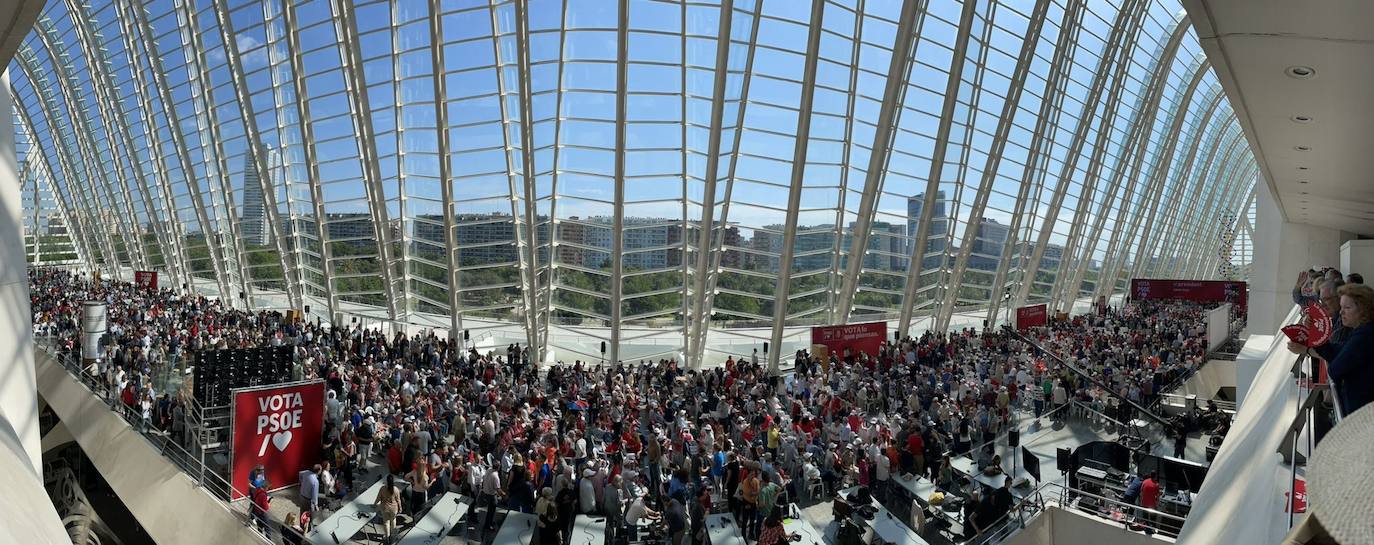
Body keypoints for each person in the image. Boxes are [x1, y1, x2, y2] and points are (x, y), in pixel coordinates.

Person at [1296, 283, 1374, 414]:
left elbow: (1335, 369)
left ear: (1364, 310)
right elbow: (1335, 351)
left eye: (1347, 308)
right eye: (1341, 307)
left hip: (1360, 414)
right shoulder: (1361, 332)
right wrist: (1315, 330)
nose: (1341, 311)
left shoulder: (1365, 335)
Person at [375, 474, 402, 542]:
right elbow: (398, 500)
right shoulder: (396, 489)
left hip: (385, 508)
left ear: (386, 481)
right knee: (393, 520)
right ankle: (393, 537)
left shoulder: (382, 488)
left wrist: (374, 504)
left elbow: (378, 498)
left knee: (386, 523)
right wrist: (400, 508)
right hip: (394, 509)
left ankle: (387, 537)